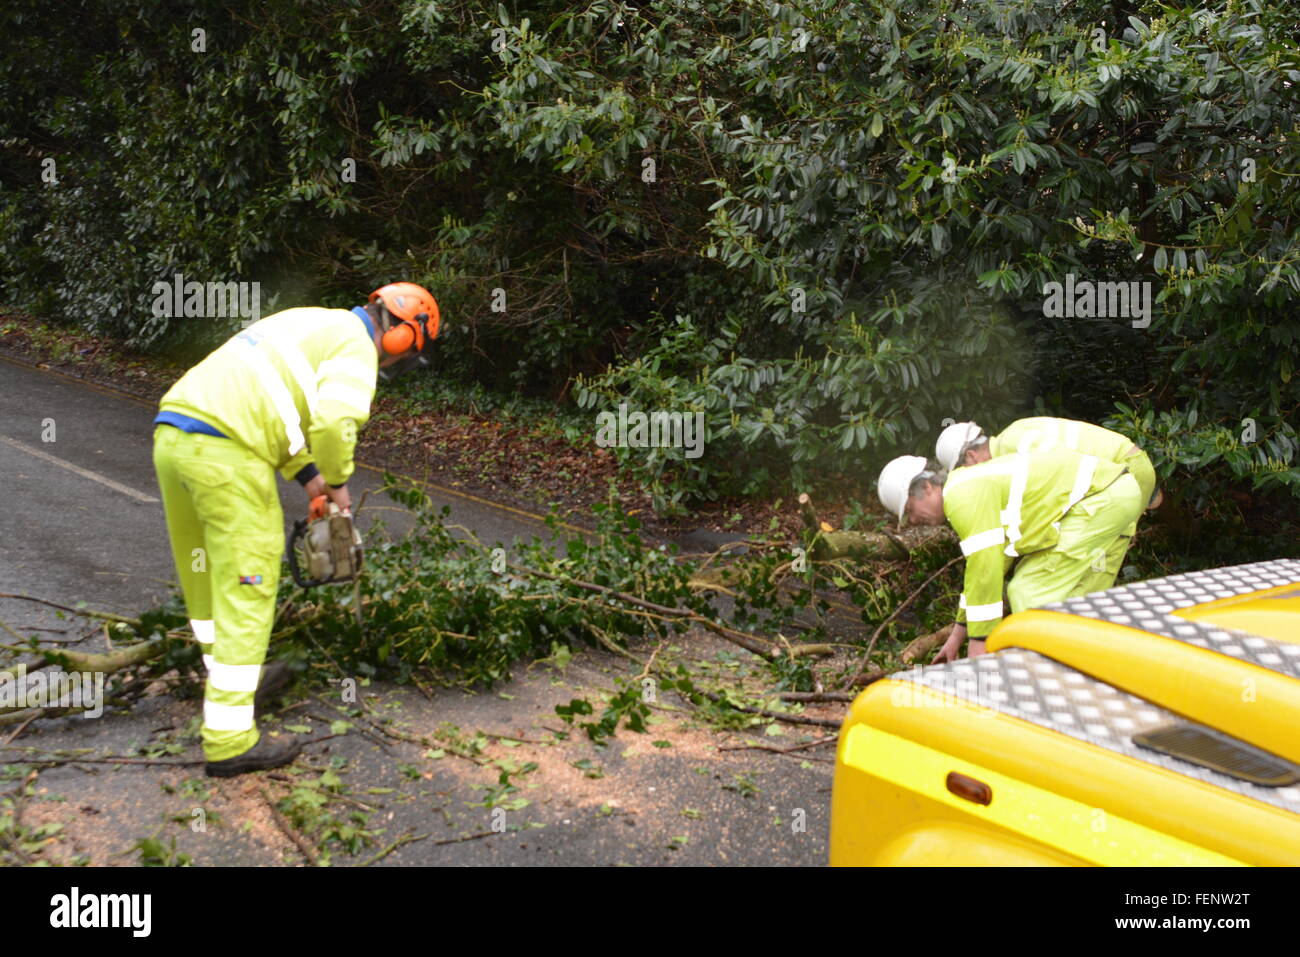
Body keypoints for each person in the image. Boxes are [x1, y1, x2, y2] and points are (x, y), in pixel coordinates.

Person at [152, 283, 440, 776]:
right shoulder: (356, 348)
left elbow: (277, 412)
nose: (395, 365)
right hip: (228, 452)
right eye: (405, 355)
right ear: (400, 337)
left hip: (174, 436)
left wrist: (312, 481)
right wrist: (341, 483)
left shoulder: (312, 321)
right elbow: (332, 425)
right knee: (250, 582)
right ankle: (227, 741)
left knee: (205, 581)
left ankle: (228, 684)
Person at [877, 446, 1144, 663]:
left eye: (910, 509)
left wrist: (979, 645)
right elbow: (985, 570)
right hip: (1113, 494)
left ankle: (1048, 677)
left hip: (1102, 498)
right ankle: (1091, 671)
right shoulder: (967, 486)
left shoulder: (962, 497)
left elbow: (986, 566)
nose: (913, 520)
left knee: (1028, 591)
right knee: (1079, 604)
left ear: (926, 488)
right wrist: (959, 635)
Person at [935, 416, 1162, 511]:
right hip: (1127, 468)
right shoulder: (1013, 436)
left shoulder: (1013, 445)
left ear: (971, 458)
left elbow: (1063, 471)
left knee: (1089, 561)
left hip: (1122, 471)